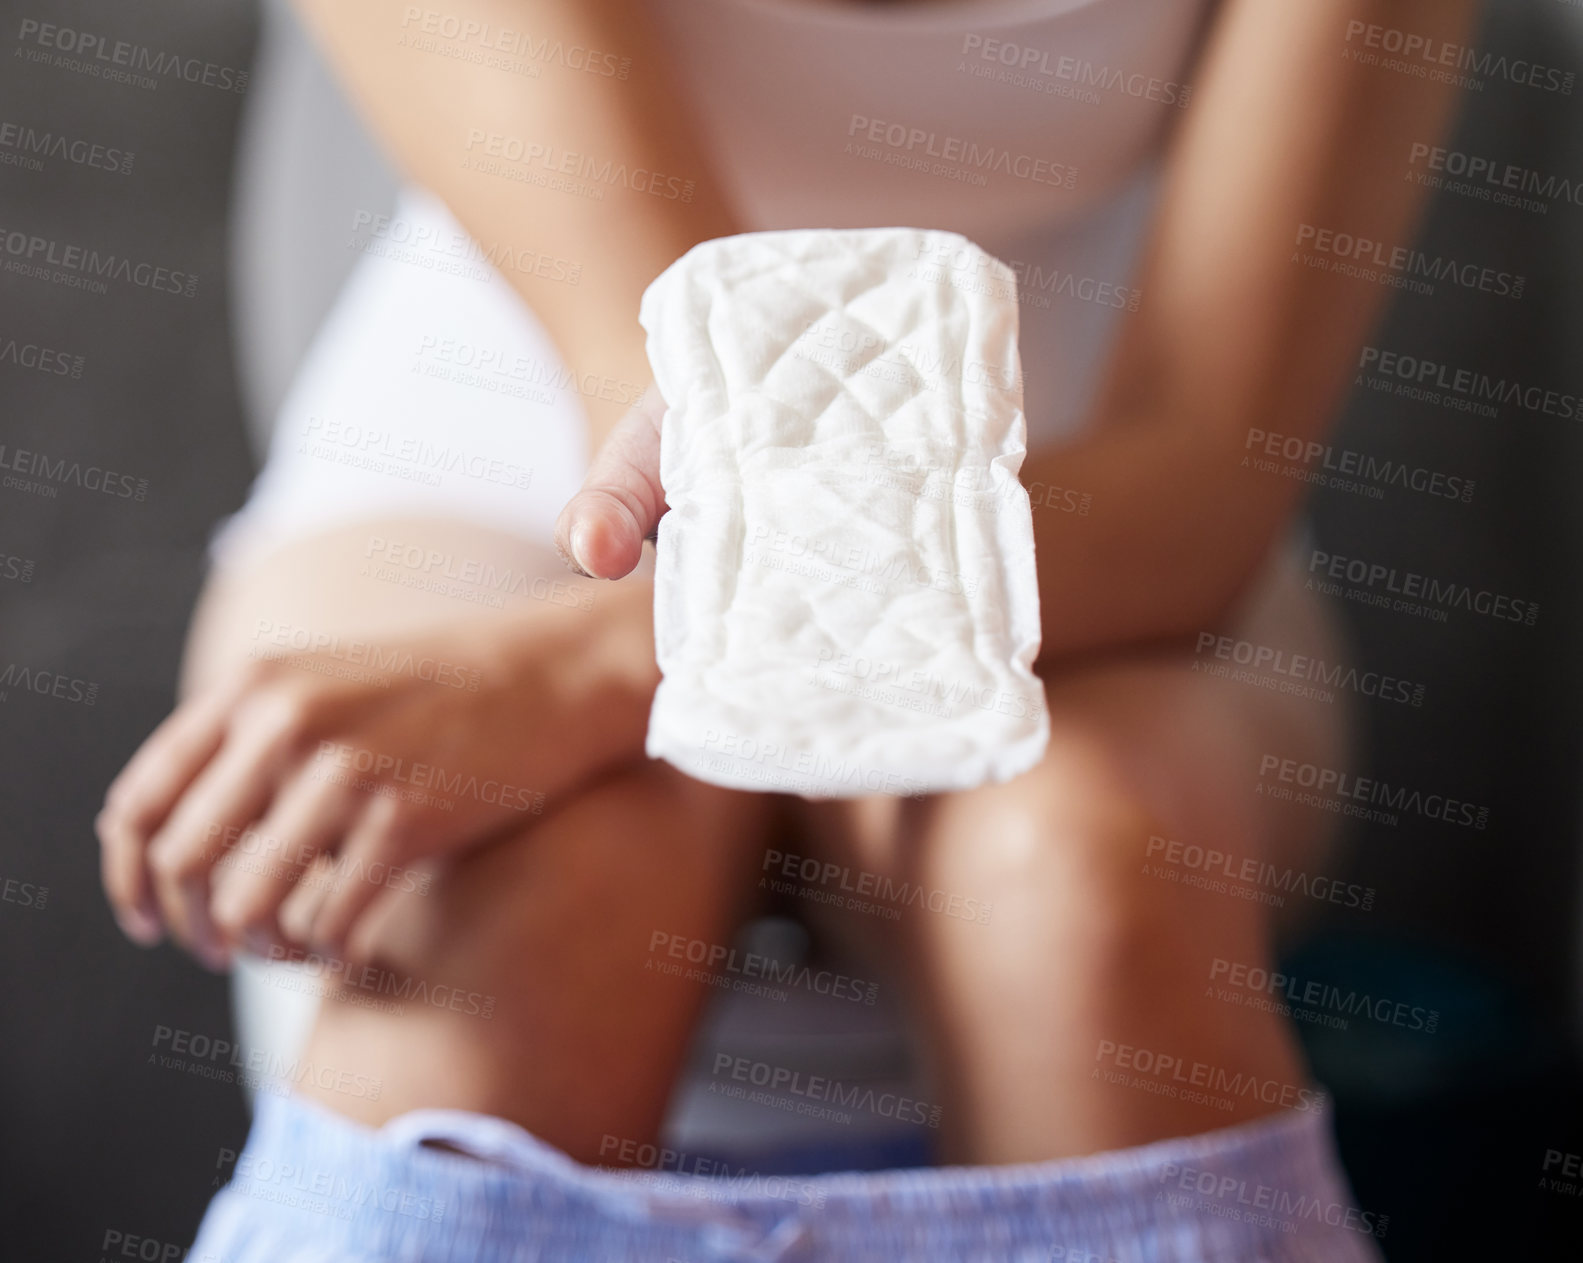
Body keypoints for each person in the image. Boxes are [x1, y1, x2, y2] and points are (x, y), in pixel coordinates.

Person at [97, 0, 1477, 1256]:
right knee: (555, 863)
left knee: (1079, 867)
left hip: (1095, 533)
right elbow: (669, 402)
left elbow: (1198, 483)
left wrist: (564, 674)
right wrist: (602, 657)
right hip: (524, 488)